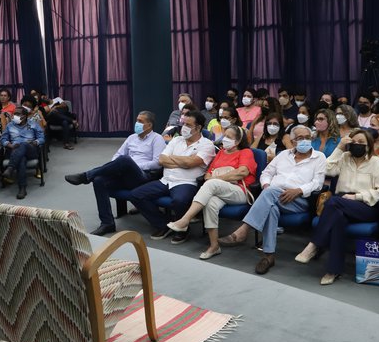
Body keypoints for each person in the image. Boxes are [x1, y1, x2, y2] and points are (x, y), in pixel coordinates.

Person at [220, 125, 326, 274]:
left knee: (270, 194)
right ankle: (268, 256)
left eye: (307, 138)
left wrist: (298, 190)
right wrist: (266, 186)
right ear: (293, 141)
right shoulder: (283, 155)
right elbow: (266, 173)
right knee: (271, 208)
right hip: (273, 196)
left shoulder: (319, 157)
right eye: (300, 138)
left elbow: (318, 183)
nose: (304, 141)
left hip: (298, 201)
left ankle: (244, 230)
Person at [295, 129, 379, 284]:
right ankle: (333, 270)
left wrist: (357, 196)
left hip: (364, 205)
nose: (357, 145)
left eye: (361, 142)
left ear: (369, 146)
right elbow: (326, 169)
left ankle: (314, 245)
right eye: (354, 142)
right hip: (340, 203)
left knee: (333, 202)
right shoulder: (344, 157)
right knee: (338, 218)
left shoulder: (375, 162)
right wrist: (339, 148)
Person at [64, 111, 165, 235]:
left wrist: (133, 165)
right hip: (125, 174)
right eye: (137, 120)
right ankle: (107, 223)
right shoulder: (132, 138)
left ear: (149, 125)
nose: (137, 123)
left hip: (143, 176)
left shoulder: (157, 139)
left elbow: (157, 163)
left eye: (140, 121)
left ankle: (86, 176)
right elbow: (117, 155)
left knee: (125, 160)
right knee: (99, 180)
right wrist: (118, 166)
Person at [167, 125, 256, 257]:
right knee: (210, 204)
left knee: (212, 183)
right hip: (219, 190)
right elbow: (208, 174)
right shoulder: (220, 153)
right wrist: (215, 179)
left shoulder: (246, 152)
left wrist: (217, 179)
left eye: (229, 137)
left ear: (237, 141)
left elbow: (241, 172)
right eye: (224, 136)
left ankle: (185, 219)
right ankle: (214, 246)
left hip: (239, 191)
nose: (224, 139)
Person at [130, 111, 215, 239]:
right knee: (135, 195)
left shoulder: (207, 144)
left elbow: (191, 163)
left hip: (187, 182)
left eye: (188, 125)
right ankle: (163, 224)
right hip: (166, 180)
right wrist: (185, 161)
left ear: (198, 128)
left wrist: (176, 159)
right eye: (183, 124)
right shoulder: (176, 140)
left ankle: (182, 230)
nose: (183, 127)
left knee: (179, 200)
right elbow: (162, 160)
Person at [0, 106, 45, 199]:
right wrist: (10, 145)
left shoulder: (33, 124)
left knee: (23, 144)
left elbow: (42, 138)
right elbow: (3, 139)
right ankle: (22, 188)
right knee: (21, 159)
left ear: (24, 116)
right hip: (14, 149)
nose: (14, 116)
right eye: (14, 114)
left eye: (17, 114)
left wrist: (35, 142)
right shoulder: (10, 125)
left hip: (30, 149)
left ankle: (10, 167)